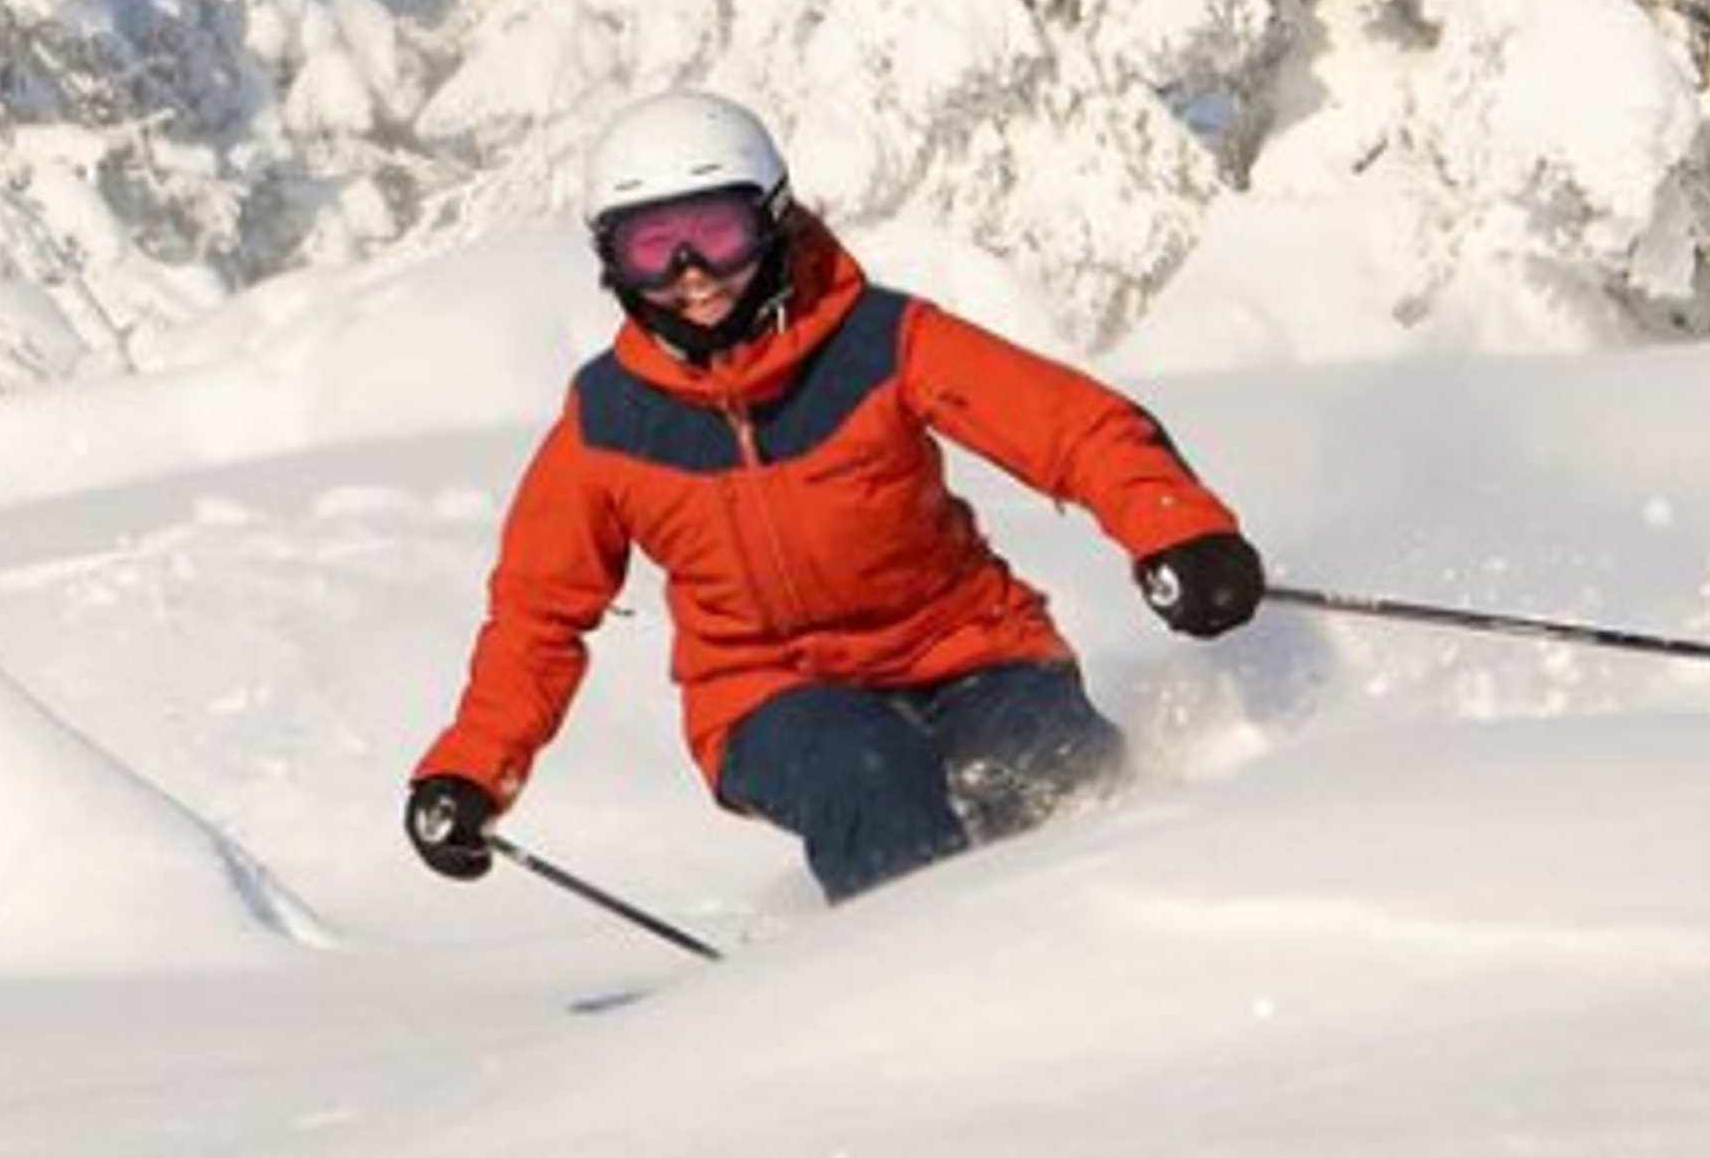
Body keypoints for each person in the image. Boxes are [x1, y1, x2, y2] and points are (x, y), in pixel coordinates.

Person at [402, 90, 1264, 909]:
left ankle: (1138, 963)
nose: (692, 274)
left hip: (967, 647)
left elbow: (1072, 427)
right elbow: (536, 617)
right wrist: (472, 772)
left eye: (718, 231)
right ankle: (921, 997)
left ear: (773, 219)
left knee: (1049, 768)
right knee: (868, 772)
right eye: (652, 246)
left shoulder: (880, 344)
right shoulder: (609, 423)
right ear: (612, 260)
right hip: (767, 693)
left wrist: (1179, 534)